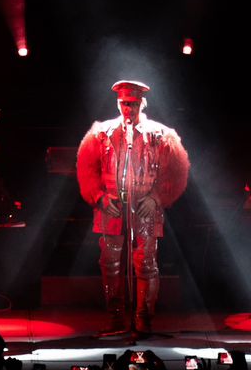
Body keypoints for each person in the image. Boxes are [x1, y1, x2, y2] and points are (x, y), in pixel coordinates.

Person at [76, 81, 191, 336]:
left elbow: (177, 172)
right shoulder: (101, 133)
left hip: (145, 208)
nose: (128, 108)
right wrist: (99, 197)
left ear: (142, 103)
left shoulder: (161, 135)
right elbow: (87, 169)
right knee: (109, 263)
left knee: (146, 263)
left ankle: (143, 319)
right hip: (111, 207)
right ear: (118, 103)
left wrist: (157, 198)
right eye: (124, 103)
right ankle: (115, 318)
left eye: (133, 103)